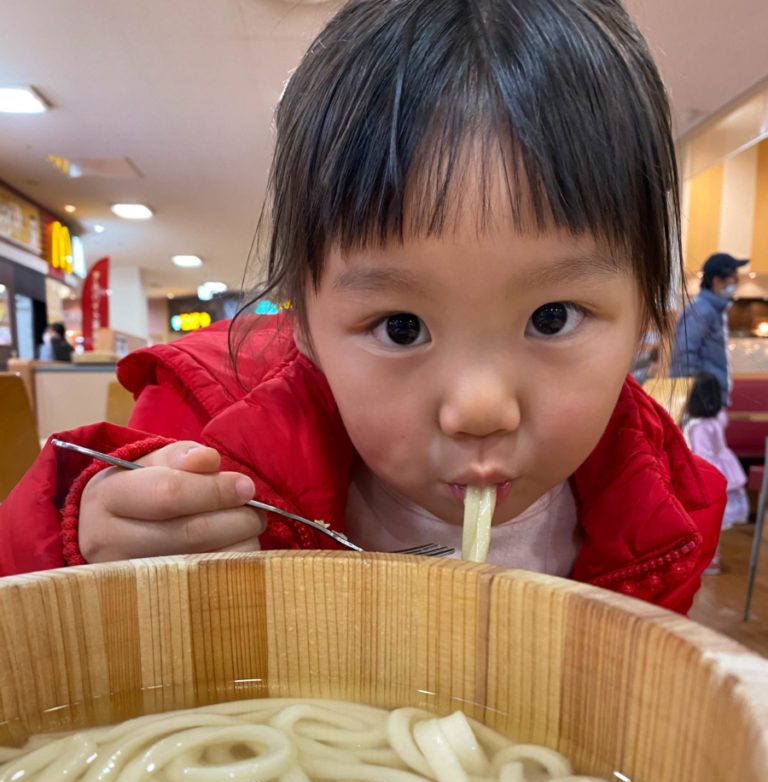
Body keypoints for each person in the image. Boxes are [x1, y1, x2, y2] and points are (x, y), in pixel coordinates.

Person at [0, 0, 725, 614]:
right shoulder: (206, 446)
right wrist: (81, 541)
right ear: (304, 327)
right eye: (401, 327)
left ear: (645, 319)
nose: (479, 408)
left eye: (552, 317)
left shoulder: (662, 516)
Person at [682, 372, 749, 574]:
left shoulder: (698, 427)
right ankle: (711, 559)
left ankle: (707, 560)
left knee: (702, 520)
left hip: (705, 475)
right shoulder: (718, 418)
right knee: (712, 522)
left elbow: (703, 456)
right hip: (724, 472)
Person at [669, 252, 749, 405]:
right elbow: (685, 355)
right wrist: (697, 400)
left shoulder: (714, 309)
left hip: (710, 399)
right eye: (733, 276)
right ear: (717, 280)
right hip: (701, 403)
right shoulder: (702, 310)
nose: (736, 281)